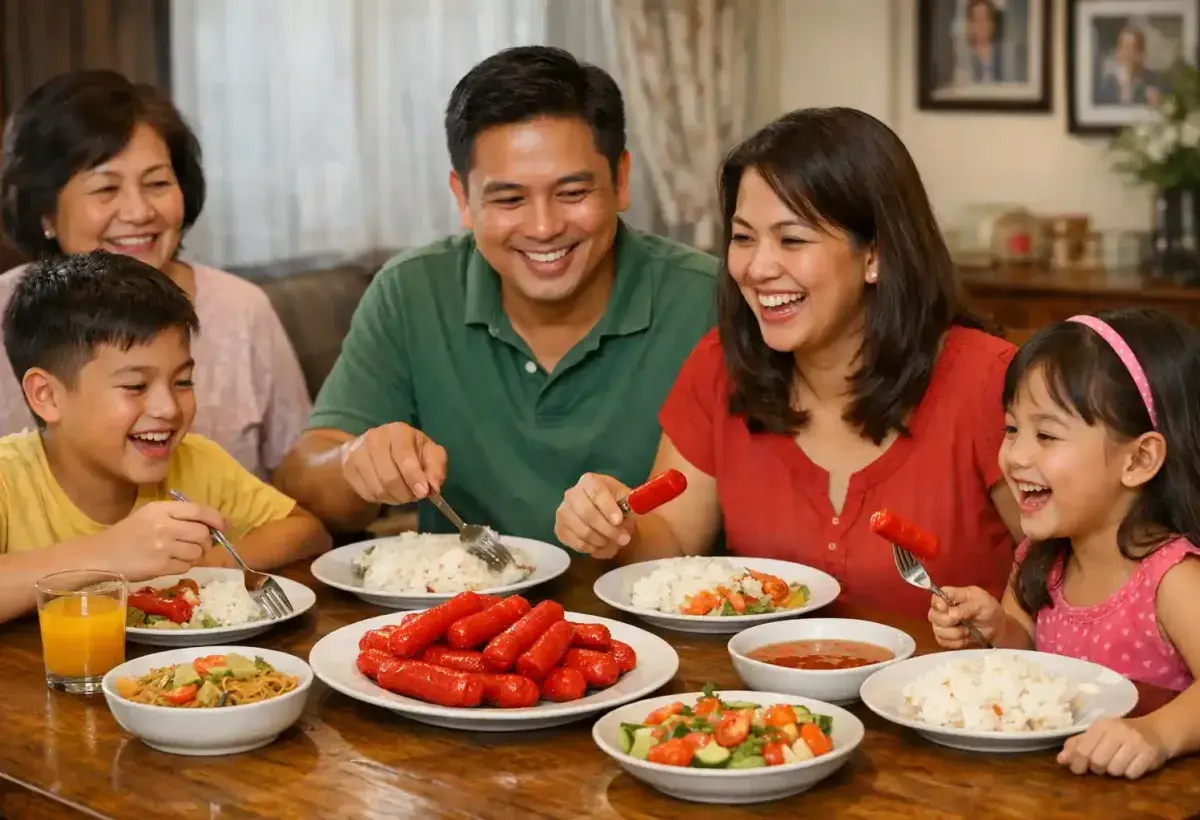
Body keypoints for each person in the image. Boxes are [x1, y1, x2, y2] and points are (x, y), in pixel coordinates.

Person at [555, 107, 1024, 618]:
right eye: (743, 237)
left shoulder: (990, 383)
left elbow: (1062, 566)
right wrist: (615, 527)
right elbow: (669, 543)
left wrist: (1008, 630)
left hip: (948, 693)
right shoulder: (720, 366)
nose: (756, 268)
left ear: (877, 255)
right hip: (763, 694)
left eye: (793, 239)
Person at [275, 46, 718, 545]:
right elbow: (306, 480)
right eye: (509, 199)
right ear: (462, 199)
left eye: (572, 193)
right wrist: (354, 462)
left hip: (653, 612)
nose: (545, 227)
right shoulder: (412, 291)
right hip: (463, 614)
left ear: (621, 181)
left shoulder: (708, 298)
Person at [928, 308, 1200, 780]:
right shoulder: (1043, 558)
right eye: (1012, 429)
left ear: (1139, 459)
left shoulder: (1172, 579)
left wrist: (1156, 734)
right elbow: (1025, 644)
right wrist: (994, 630)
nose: (1015, 455)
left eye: (1046, 435)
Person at [0, 69, 311, 479]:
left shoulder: (243, 311)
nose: (139, 212)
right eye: (105, 189)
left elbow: (301, 486)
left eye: (157, 183)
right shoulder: (6, 311)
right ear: (46, 213)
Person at [0, 251, 330, 625]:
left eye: (183, 381)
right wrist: (108, 554)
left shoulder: (196, 461)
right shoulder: (9, 478)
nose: (169, 408)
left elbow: (308, 532)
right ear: (47, 395)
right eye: (135, 385)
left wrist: (207, 568)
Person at [1095, 23, 1161, 106]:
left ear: (1141, 53)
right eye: (1125, 48)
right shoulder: (1106, 85)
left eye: (1133, 48)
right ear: (1118, 53)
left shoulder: (1152, 81)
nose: (1128, 54)